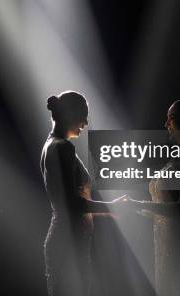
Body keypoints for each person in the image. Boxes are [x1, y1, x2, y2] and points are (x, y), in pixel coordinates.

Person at [40, 90, 127, 296]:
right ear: (70, 115)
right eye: (83, 115)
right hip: (70, 241)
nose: (86, 123)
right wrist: (112, 207)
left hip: (68, 238)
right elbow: (73, 203)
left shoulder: (51, 145)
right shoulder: (63, 148)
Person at [130, 95, 180, 296]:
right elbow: (164, 206)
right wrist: (136, 209)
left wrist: (141, 203)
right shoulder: (179, 157)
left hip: (178, 245)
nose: (166, 123)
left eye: (171, 117)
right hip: (164, 240)